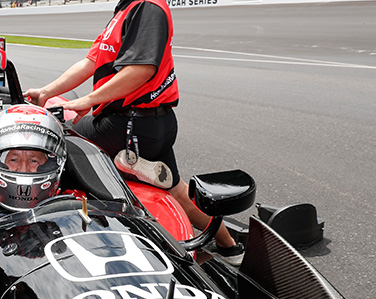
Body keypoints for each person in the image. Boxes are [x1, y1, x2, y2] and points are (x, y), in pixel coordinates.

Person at [23, 0, 244, 266]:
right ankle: (230, 248)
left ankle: (60, 241)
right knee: (176, 189)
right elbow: (91, 62)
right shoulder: (125, 9)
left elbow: (141, 70)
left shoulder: (146, 6)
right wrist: (46, 92)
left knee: (58, 144)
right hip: (147, 123)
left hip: (128, 126)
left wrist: (87, 100)